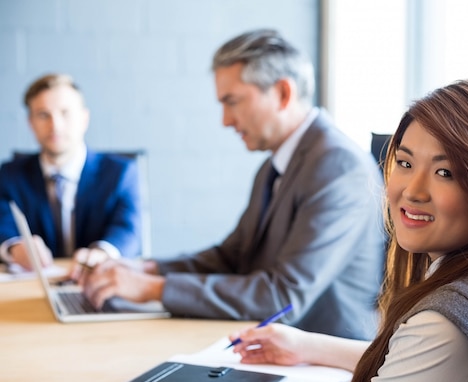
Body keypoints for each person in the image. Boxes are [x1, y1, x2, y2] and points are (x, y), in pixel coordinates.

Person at [226, 79, 468, 382]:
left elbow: (426, 351)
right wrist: (307, 346)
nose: (413, 191)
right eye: (405, 164)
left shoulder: (445, 323)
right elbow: (410, 360)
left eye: (444, 172)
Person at [80, 29, 385, 340]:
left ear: (282, 93)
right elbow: (234, 256)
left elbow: (282, 298)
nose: (225, 120)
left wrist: (152, 289)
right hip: (271, 344)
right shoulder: (274, 165)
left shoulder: (339, 167)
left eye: (232, 101)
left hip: (324, 362)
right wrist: (146, 270)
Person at [0, 73, 142, 274]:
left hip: (96, 283)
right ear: (30, 123)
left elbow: (129, 231)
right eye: (43, 115)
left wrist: (102, 253)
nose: (55, 125)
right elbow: (2, 224)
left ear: (84, 118)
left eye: (65, 113)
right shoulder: (10, 174)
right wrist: (14, 247)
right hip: (33, 286)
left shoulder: (121, 173)